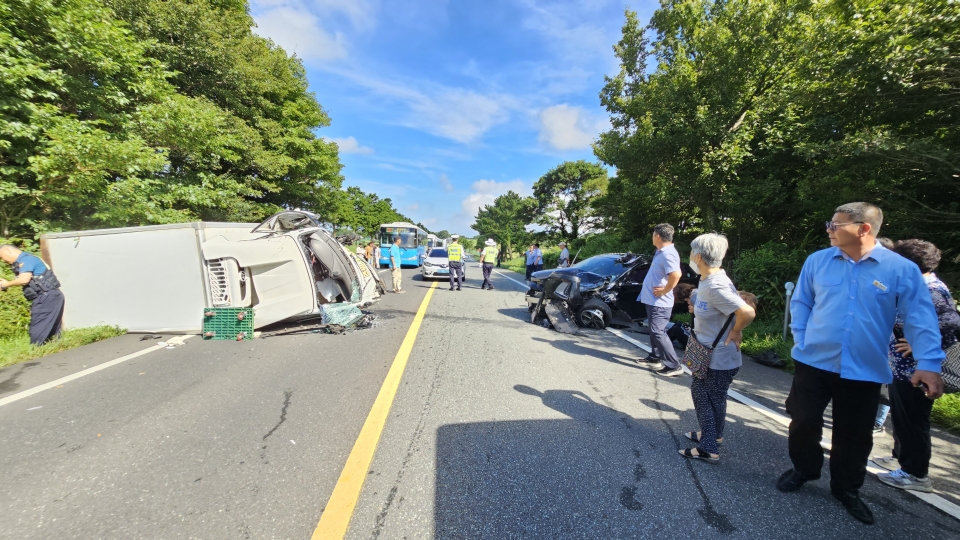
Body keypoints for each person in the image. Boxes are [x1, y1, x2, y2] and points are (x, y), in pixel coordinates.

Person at [777, 202, 945, 525]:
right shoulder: (818, 261)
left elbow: (920, 320)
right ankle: (804, 469)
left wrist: (928, 363)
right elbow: (801, 302)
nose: (829, 229)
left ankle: (846, 488)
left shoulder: (900, 270)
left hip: (864, 369)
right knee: (802, 421)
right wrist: (801, 337)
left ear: (864, 229)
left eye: (836, 224)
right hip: (814, 361)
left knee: (854, 436)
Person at [873, 239, 960, 493]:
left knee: (913, 419)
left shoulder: (931, 290)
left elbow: (952, 324)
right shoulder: (917, 284)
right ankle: (901, 458)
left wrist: (916, 344)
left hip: (917, 370)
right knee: (902, 416)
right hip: (903, 368)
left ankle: (915, 474)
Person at [679, 233, 757, 464]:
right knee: (716, 397)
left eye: (692, 252)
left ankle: (708, 448)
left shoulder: (716, 285)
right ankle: (714, 435)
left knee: (703, 394)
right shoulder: (708, 279)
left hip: (718, 357)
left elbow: (747, 312)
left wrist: (736, 331)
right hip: (712, 353)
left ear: (699, 256)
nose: (690, 256)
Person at [635, 223, 684, 376]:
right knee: (653, 329)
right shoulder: (661, 252)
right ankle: (655, 357)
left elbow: (676, 274)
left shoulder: (668, 253)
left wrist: (664, 290)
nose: (652, 237)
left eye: (652, 235)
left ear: (657, 236)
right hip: (652, 300)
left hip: (660, 302)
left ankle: (674, 365)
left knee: (657, 331)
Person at [0, 244, 66, 345]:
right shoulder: (27, 260)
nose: (3, 260)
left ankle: (36, 351)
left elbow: (24, 279)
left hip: (46, 296)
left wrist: (6, 284)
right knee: (52, 332)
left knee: (37, 333)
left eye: (1, 256)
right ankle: (55, 351)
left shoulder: (26, 260)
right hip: (49, 296)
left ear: (8, 250)